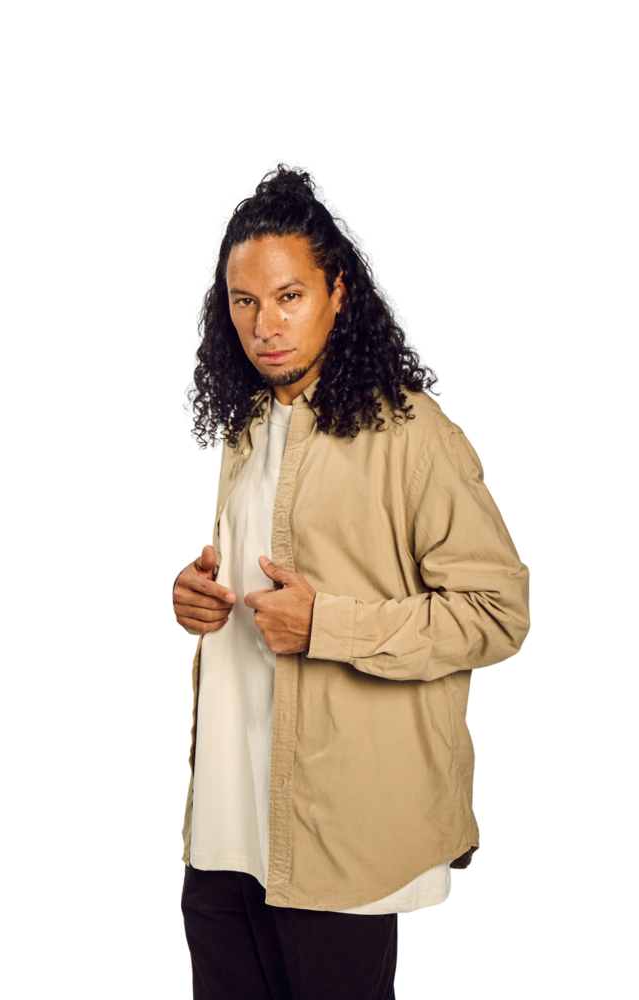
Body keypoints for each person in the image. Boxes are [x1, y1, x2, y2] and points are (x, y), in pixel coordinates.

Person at [174, 159, 531, 999]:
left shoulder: (416, 435)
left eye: (288, 295)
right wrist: (194, 596)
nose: (264, 324)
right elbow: (254, 580)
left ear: (337, 291)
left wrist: (326, 626)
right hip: (224, 827)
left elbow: (497, 614)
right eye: (243, 301)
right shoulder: (244, 430)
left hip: (343, 837)